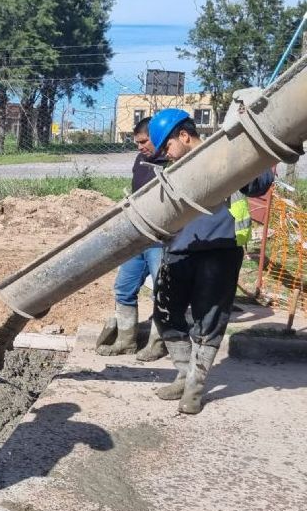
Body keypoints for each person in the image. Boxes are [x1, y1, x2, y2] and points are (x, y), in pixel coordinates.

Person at [148, 109, 270, 414]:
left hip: (220, 247)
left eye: (167, 148)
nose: (166, 155)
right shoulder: (175, 168)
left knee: (209, 318)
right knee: (165, 314)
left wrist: (242, 165)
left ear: (185, 136)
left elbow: (262, 180)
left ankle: (195, 387)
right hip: (179, 247)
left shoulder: (226, 152)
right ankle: (181, 373)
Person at [96, 117, 168, 361]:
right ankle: (126, 341)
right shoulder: (141, 160)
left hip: (162, 240)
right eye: (137, 142)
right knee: (124, 288)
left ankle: (158, 343)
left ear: (158, 137)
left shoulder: (174, 163)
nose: (139, 147)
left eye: (144, 141)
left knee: (163, 291)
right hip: (137, 238)